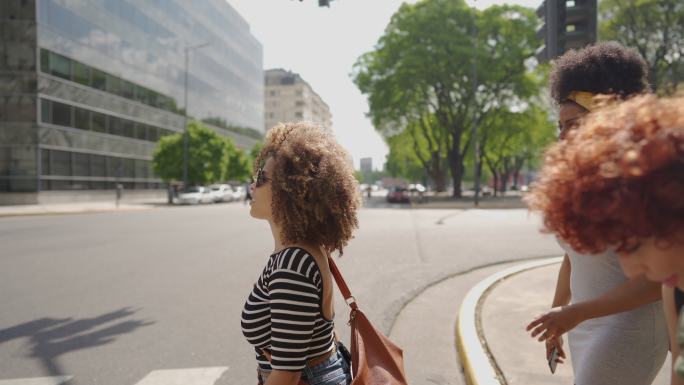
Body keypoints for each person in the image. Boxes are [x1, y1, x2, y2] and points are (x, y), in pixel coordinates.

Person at [524, 42, 668, 385]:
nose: (563, 136)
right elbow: (574, 257)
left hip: (629, 327)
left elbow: (658, 279)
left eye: (573, 124)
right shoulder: (586, 181)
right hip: (584, 323)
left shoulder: (637, 183)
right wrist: (555, 318)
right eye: (560, 127)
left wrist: (575, 313)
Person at [240, 122, 360, 385]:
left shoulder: (292, 264)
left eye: (261, 178)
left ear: (290, 191)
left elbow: (286, 376)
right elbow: (324, 333)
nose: (252, 185)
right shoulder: (306, 249)